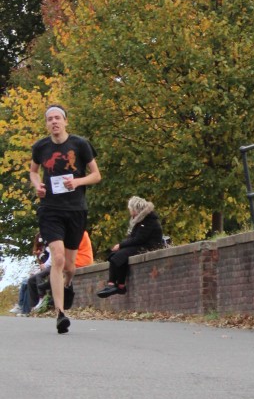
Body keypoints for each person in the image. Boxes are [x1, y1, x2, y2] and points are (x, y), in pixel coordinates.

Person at [28, 103, 101, 334]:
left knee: (70, 266)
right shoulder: (41, 147)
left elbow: (96, 175)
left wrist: (77, 182)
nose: (54, 122)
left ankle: (67, 284)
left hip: (75, 210)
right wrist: (38, 186)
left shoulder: (80, 144)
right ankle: (60, 313)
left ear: (65, 121)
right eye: (50, 119)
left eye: (57, 118)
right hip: (50, 210)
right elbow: (33, 171)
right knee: (57, 257)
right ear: (47, 124)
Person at [96, 197, 165, 296]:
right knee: (115, 255)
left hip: (148, 247)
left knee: (119, 256)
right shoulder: (141, 220)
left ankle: (117, 285)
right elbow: (133, 238)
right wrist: (122, 246)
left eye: (130, 209)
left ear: (135, 209)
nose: (129, 211)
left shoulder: (148, 220)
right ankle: (116, 284)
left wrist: (121, 245)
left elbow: (140, 239)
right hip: (142, 245)